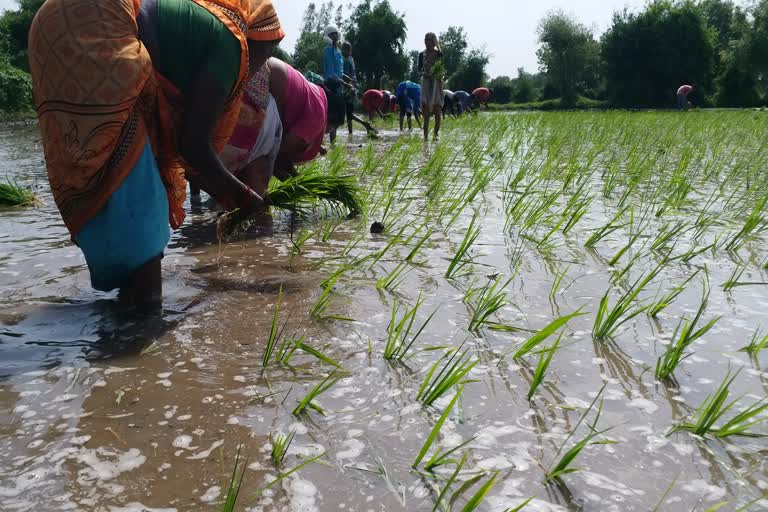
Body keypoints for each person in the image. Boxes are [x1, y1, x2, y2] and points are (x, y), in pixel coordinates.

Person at [28, 0, 284, 309]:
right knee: (140, 195)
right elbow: (193, 145)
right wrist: (241, 194)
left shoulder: (201, 30)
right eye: (267, 53)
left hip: (52, 26)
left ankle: (125, 316)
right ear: (251, 37)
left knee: (113, 164)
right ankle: (140, 332)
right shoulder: (231, 44)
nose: (262, 66)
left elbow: (182, 147)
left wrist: (223, 189)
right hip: (98, 21)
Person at [268, 58, 347, 180]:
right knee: (259, 174)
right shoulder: (318, 116)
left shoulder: (315, 96)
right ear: (331, 118)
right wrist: (300, 184)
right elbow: (278, 156)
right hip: (264, 79)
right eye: (330, 130)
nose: (327, 134)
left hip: (262, 67)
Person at [418, 32, 444, 141]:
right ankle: (425, 138)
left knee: (437, 110)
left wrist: (437, 74)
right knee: (426, 112)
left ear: (433, 42)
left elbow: (442, 70)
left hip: (436, 84)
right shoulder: (421, 54)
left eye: (428, 40)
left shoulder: (439, 54)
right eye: (425, 39)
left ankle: (435, 136)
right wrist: (423, 73)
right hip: (426, 83)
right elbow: (419, 70)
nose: (426, 42)